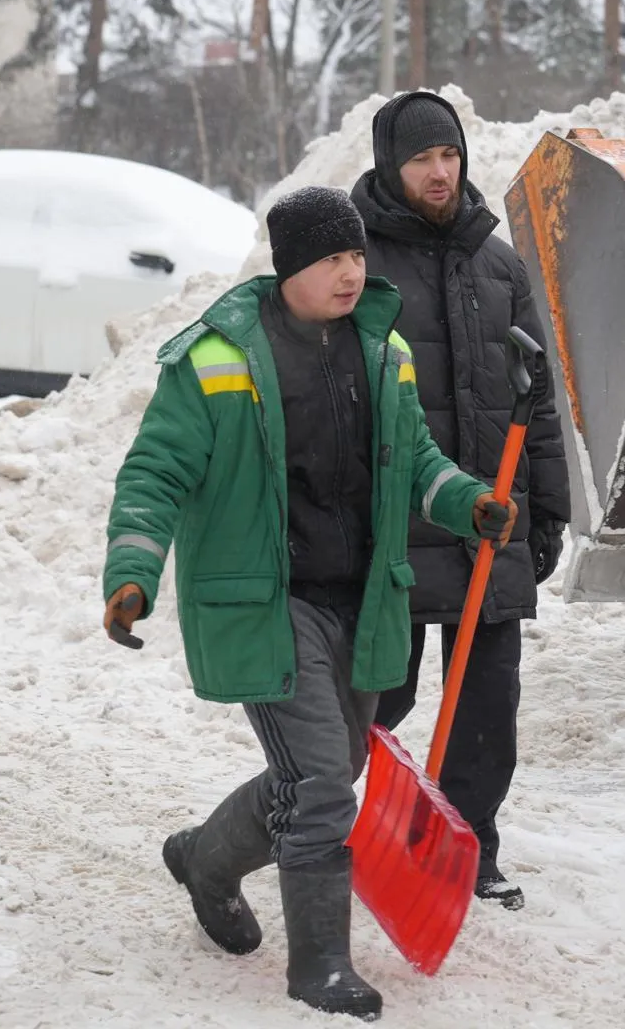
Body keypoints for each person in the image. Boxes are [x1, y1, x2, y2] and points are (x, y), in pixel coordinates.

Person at [102, 186, 516, 1020]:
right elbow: (156, 474)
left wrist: (467, 500)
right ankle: (320, 967)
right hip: (268, 598)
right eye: (332, 259)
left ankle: (206, 861)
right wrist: (132, 571)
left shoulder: (382, 350)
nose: (351, 273)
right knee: (325, 782)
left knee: (327, 774)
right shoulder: (218, 357)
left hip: (361, 598)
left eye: (358, 256)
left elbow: (417, 461)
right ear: (290, 266)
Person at [352, 91, 570, 911]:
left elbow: (536, 402)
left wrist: (546, 510)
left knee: (487, 704)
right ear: (389, 165)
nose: (440, 173)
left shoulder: (498, 262)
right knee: (382, 694)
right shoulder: (356, 260)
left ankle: (464, 848)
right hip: (398, 526)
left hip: (493, 518)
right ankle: (335, 821)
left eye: (448, 156)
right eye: (421, 160)